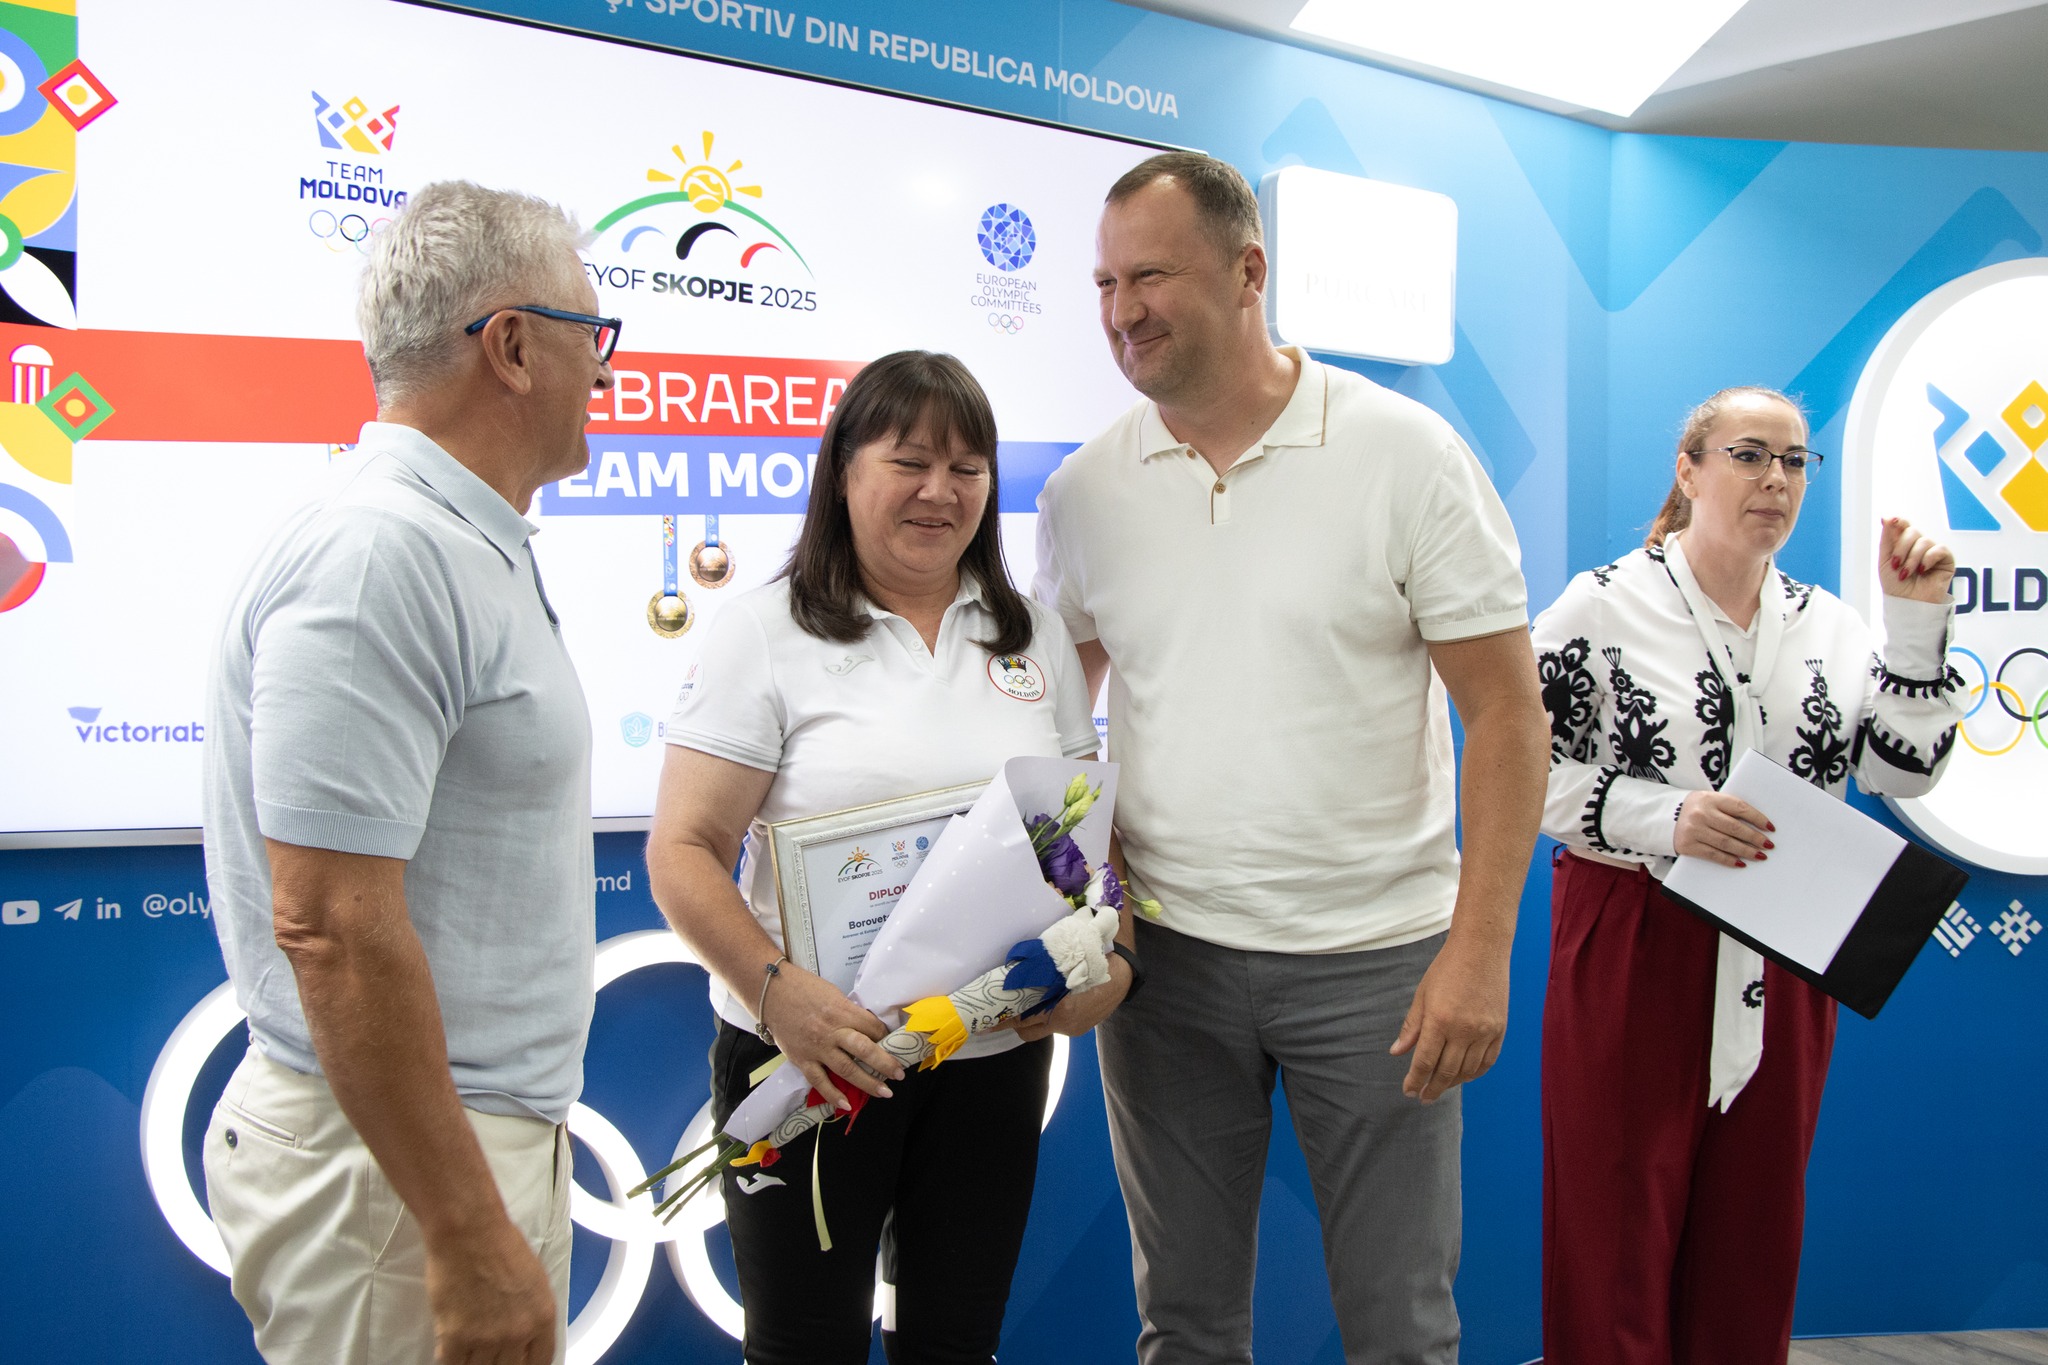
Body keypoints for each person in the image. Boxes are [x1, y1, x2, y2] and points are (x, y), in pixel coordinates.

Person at [1035, 150, 1550, 1363]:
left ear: (1247, 271)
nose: (1121, 311)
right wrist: (1076, 902)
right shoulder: (1084, 492)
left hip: (1376, 966)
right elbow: (1054, 726)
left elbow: (1505, 715)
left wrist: (1478, 951)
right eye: (1104, 283)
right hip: (1166, 968)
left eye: (1150, 276)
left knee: (1398, 1327)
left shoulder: (1406, 455)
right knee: (1184, 1324)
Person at [200, 181, 615, 1365]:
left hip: (434, 1155)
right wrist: (465, 1228)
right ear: (513, 347)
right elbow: (330, 925)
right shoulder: (384, 553)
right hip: (392, 1177)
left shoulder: (458, 541)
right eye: (593, 335)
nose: (605, 371)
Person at [645, 350, 1116, 1365]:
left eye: (967, 468)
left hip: (987, 1057)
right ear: (844, 470)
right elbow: (682, 851)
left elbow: (1074, 846)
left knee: (954, 1342)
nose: (940, 492)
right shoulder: (763, 633)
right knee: (803, 1346)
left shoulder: (1030, 636)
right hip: (811, 1054)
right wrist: (779, 996)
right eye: (910, 462)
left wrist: (1106, 960)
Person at [1532, 385, 1962, 1364]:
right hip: (1635, 930)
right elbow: (1518, 772)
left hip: (1785, 941)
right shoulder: (1600, 606)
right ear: (1687, 471)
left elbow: (1903, 773)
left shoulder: (1830, 625)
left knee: (1752, 1232)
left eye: (1794, 460)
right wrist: (1664, 816)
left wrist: (1914, 625)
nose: (1776, 478)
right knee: (1614, 1223)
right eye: (1749, 454)